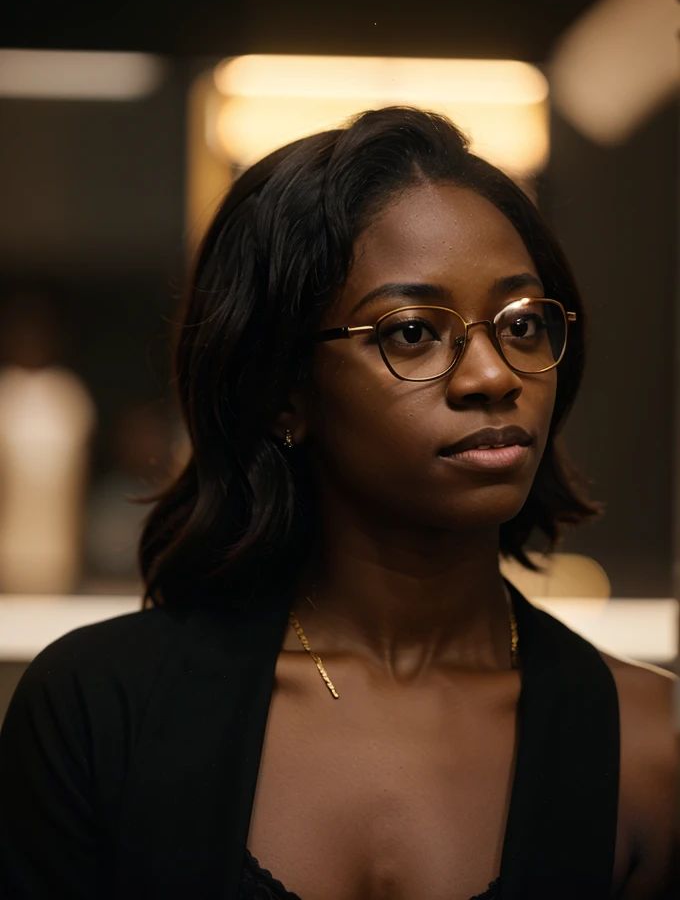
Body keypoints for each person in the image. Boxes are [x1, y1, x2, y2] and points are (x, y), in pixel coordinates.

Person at [0, 107, 676, 899]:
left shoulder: (652, 743)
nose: (494, 375)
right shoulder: (99, 713)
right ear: (284, 391)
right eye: (414, 332)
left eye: (522, 323)